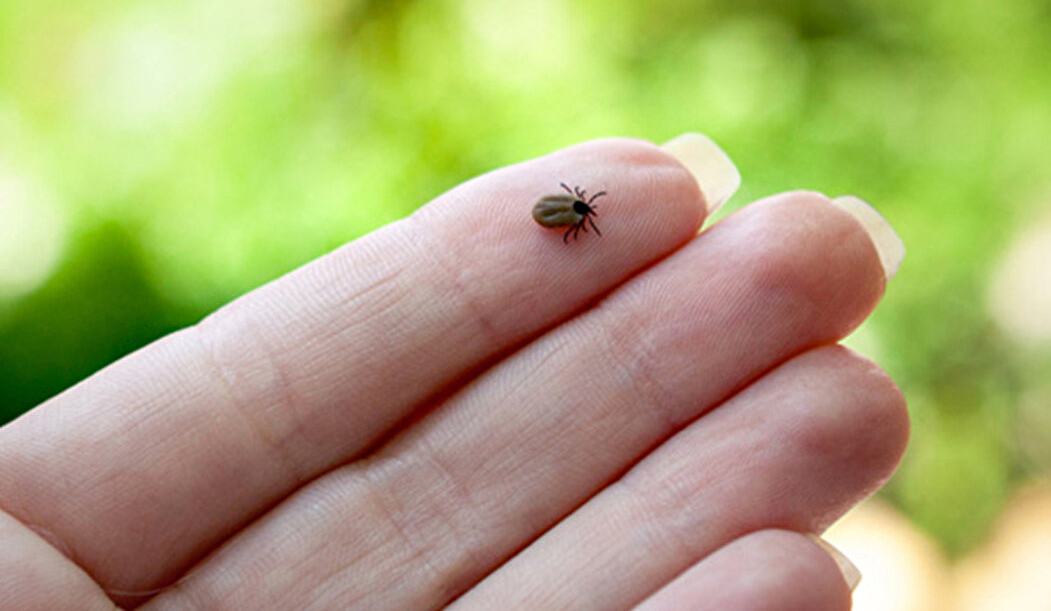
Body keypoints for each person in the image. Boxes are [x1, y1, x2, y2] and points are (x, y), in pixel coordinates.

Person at [0, 134, 908, 611]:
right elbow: (556, 215)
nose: (577, 209)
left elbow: (554, 214)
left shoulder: (565, 216)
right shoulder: (569, 217)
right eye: (580, 211)